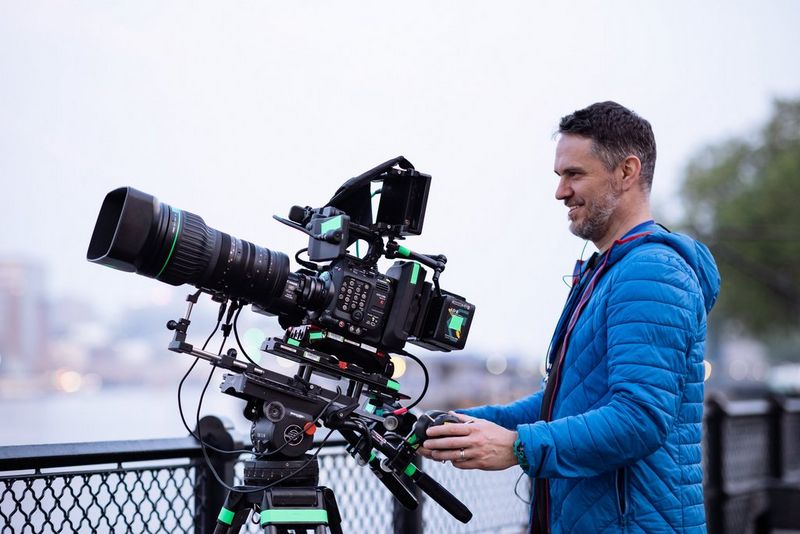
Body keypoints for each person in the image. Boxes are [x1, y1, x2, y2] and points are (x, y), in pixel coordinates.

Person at [419, 101, 721, 533]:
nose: (560, 191)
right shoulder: (609, 271)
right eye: (560, 176)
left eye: (574, 174)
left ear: (627, 172)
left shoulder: (650, 272)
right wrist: (460, 427)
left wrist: (519, 447)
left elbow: (639, 419)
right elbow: (565, 401)